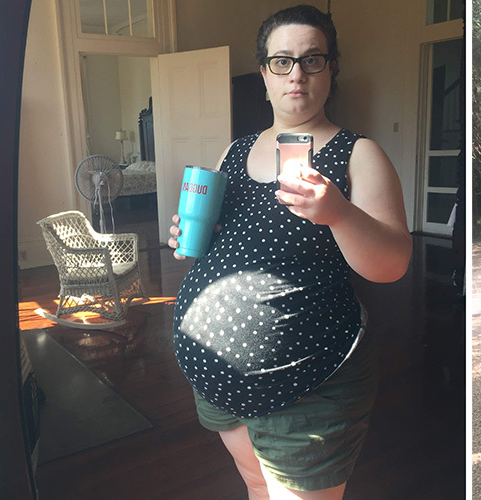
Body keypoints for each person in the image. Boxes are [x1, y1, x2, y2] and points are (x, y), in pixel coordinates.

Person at [167, 5, 411, 499]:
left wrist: (338, 213)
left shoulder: (357, 154)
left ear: (330, 69)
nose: (296, 73)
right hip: (217, 379)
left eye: (312, 59)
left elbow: (393, 264)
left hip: (310, 382)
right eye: (282, 61)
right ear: (264, 74)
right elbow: (222, 247)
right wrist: (187, 236)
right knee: (257, 484)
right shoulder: (233, 152)